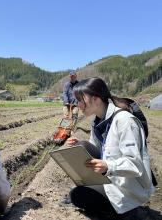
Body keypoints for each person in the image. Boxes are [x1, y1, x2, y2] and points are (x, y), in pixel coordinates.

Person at [65, 77, 155, 218]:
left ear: (96, 99)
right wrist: (78, 146)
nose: (79, 105)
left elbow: (134, 164)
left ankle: (128, 208)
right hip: (112, 178)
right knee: (77, 193)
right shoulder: (98, 121)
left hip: (128, 185)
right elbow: (96, 149)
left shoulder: (124, 121)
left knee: (79, 195)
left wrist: (107, 166)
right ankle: (113, 206)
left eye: (81, 100)